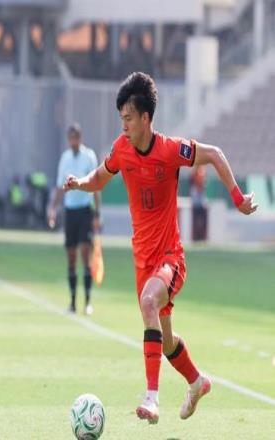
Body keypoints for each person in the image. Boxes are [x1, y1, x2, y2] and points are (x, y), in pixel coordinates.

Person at [61, 72, 257, 424]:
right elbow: (100, 177)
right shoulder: (122, 149)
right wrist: (80, 183)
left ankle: (151, 398)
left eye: (129, 118)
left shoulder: (169, 150)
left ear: (146, 117)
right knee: (165, 341)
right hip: (143, 260)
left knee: (149, 301)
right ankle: (196, 382)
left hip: (170, 258)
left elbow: (215, 154)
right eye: (121, 118)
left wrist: (238, 197)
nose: (124, 125)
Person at [48, 123, 101, 315]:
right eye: (70, 138)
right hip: (70, 211)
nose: (73, 142)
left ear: (80, 138)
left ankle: (87, 302)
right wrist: (53, 209)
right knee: (71, 257)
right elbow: (60, 187)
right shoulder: (65, 158)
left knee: (85, 255)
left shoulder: (89, 156)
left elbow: (96, 184)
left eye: (76, 138)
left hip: (85, 211)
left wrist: (97, 214)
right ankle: (72, 302)